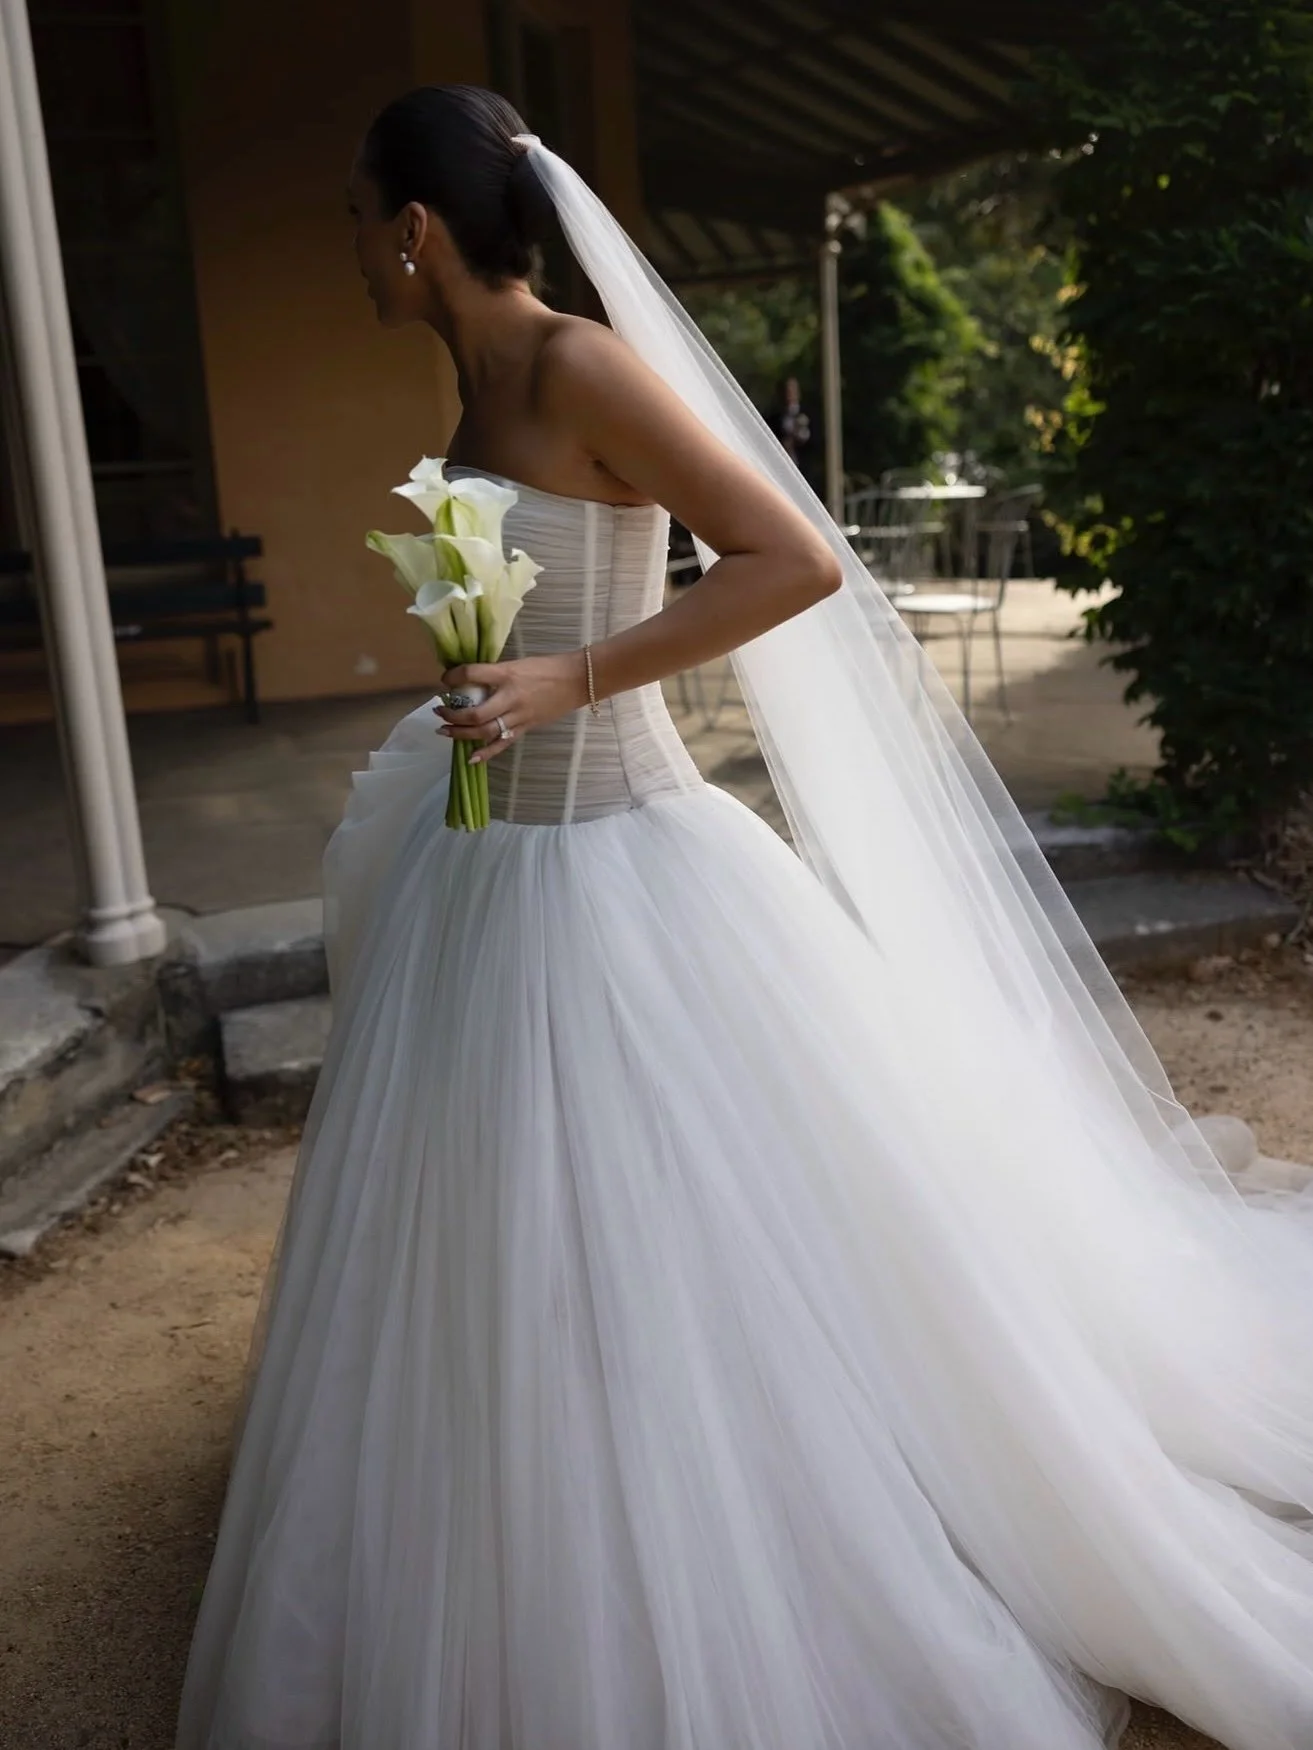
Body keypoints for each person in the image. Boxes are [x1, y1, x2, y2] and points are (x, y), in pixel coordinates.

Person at [176, 85, 1313, 1750]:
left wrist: (567, 672)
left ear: (411, 231)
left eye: (356, 216)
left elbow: (791, 558)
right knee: (497, 1223)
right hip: (486, 865)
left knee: (692, 1220)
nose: (349, 249)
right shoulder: (476, 380)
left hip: (628, 864)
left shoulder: (577, 365)